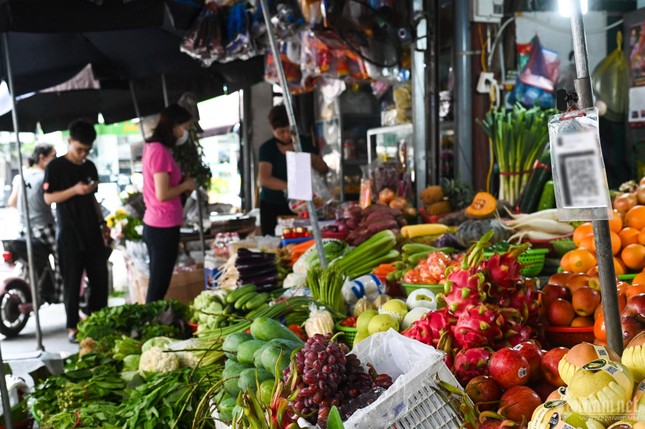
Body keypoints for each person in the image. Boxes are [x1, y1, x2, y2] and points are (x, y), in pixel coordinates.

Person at [43, 119, 109, 343]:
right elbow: (48, 197)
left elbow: (93, 199)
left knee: (100, 280)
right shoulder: (55, 167)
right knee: (71, 284)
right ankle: (72, 327)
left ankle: (98, 321)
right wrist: (75, 190)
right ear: (69, 141)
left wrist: (103, 223)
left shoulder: (90, 166)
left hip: (92, 232)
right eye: (79, 149)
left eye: (87, 150)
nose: (83, 154)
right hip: (69, 236)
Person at [141, 103, 196, 303]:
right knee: (158, 285)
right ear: (174, 126)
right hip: (162, 225)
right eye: (185, 127)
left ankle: (152, 321)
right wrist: (187, 185)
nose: (185, 132)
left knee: (159, 282)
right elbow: (162, 194)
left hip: (158, 223)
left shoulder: (154, 148)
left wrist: (181, 183)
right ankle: (150, 325)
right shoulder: (159, 151)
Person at [258, 105, 329, 235]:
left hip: (302, 205)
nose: (286, 136)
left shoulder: (305, 142)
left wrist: (312, 158)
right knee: (273, 239)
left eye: (289, 131)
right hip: (273, 204)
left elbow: (324, 169)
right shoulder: (267, 148)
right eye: (281, 132)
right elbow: (264, 179)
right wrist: (292, 187)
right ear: (272, 130)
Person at [7, 144, 63, 302]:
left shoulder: (20, 177)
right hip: (45, 228)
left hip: (24, 230)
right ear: (42, 158)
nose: (56, 159)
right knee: (63, 258)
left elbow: (12, 202)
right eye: (54, 156)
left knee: (29, 264)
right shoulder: (45, 177)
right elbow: (50, 200)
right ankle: (61, 294)